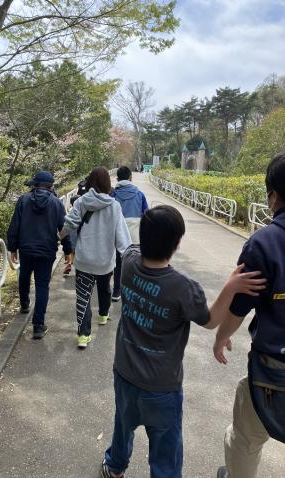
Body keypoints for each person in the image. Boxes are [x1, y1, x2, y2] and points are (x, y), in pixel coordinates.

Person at [101, 205, 266, 478]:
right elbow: (211, 320)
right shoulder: (182, 288)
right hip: (162, 388)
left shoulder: (129, 264)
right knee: (165, 452)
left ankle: (115, 466)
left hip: (125, 374)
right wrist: (231, 287)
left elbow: (130, 247)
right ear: (177, 244)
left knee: (123, 422)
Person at [214, 153, 285, 478]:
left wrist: (221, 336)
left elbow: (238, 309)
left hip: (273, 373)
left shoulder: (265, 243)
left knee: (244, 439)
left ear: (272, 196)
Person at [59, 166, 131, 349]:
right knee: (105, 288)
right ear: (108, 184)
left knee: (83, 296)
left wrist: (59, 237)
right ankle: (103, 315)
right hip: (105, 260)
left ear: (90, 181)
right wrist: (130, 256)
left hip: (84, 260)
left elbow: (70, 224)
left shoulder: (81, 202)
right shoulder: (114, 206)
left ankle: (83, 335)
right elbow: (122, 236)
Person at [7, 171, 72, 340]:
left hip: (26, 248)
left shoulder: (23, 200)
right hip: (46, 250)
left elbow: (15, 225)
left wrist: (12, 247)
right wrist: (67, 250)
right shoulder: (56, 203)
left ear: (36, 185)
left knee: (24, 276)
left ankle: (24, 304)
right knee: (42, 286)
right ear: (51, 186)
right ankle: (38, 326)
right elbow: (63, 229)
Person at [111, 166, 148, 301]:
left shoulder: (113, 195)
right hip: (135, 234)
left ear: (117, 178)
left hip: (117, 233)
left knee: (118, 263)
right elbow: (146, 214)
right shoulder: (139, 194)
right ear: (131, 178)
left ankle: (116, 291)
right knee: (136, 262)